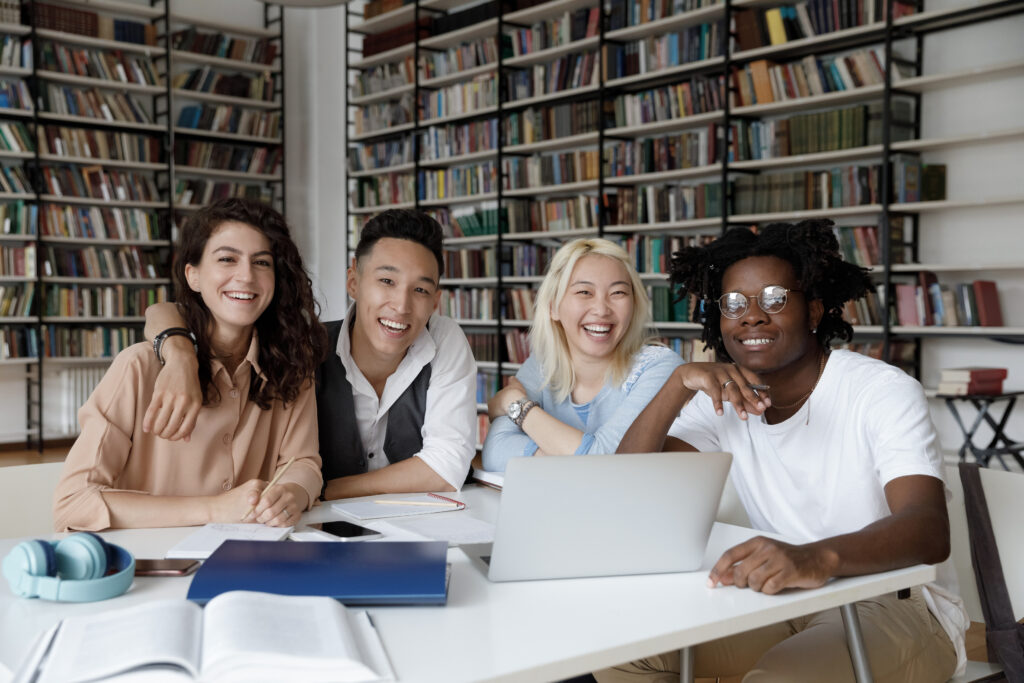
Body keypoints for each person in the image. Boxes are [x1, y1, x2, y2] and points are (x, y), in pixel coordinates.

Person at [598, 220, 968, 683]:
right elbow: (622, 490)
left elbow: (927, 530)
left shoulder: (881, 391)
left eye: (774, 298)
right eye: (733, 303)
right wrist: (677, 385)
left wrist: (815, 557)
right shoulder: (724, 400)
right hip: (783, 597)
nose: (751, 315)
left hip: (896, 603)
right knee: (617, 650)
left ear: (813, 311)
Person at [142, 209, 477, 499]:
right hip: (316, 531)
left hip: (411, 526)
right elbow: (164, 311)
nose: (401, 305)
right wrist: (180, 355)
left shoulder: (444, 339)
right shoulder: (302, 345)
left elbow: (446, 467)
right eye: (387, 280)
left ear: (435, 301)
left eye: (420, 289)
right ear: (353, 282)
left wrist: (318, 491)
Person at [53, 198, 327, 531]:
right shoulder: (139, 368)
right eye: (227, 259)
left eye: (262, 262)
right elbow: (73, 504)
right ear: (193, 275)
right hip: (150, 567)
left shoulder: (291, 368)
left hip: (249, 557)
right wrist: (215, 510)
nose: (246, 276)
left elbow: (304, 464)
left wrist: (291, 494)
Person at [482, 238, 683, 469]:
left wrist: (515, 404)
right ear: (553, 307)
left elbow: (607, 462)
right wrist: (579, 463)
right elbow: (494, 452)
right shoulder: (541, 366)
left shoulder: (660, 367)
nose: (601, 309)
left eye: (618, 292)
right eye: (585, 292)